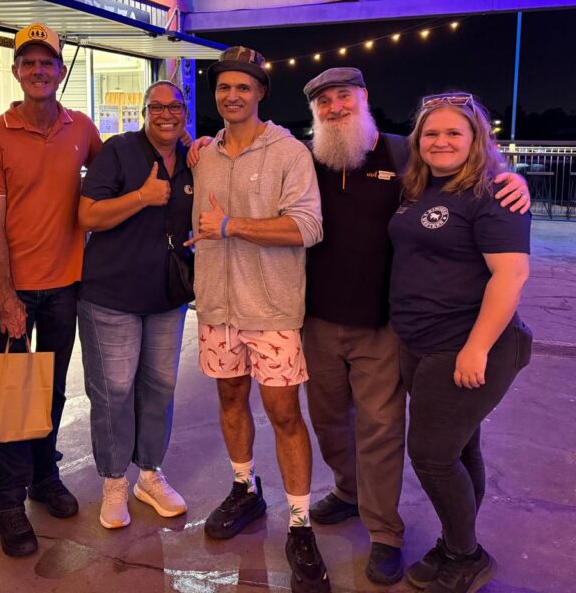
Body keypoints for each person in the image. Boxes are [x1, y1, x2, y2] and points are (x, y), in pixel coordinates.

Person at [299, 68, 530, 586]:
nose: (336, 108)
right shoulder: (304, 159)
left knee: (383, 431)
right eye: (324, 102)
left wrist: (512, 178)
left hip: (385, 326)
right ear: (315, 113)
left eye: (345, 97)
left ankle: (385, 533)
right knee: (330, 421)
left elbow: (472, 169)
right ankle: (348, 490)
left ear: (364, 99)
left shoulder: (405, 153)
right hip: (320, 319)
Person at [188, 46, 329, 593]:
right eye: (223, 87)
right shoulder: (206, 153)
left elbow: (308, 226)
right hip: (217, 308)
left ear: (261, 92)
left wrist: (232, 226)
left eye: (243, 87)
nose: (231, 95)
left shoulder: (289, 152)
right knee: (228, 399)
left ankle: (300, 522)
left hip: (270, 308)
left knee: (283, 412)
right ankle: (245, 488)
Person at [388, 92, 532, 593]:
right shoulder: (420, 183)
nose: (441, 141)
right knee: (459, 447)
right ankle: (456, 542)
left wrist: (476, 349)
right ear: (418, 141)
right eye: (431, 133)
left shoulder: (493, 192)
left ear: (476, 139)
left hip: (466, 344)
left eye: (454, 133)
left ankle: (467, 555)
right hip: (418, 342)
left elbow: (510, 275)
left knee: (430, 456)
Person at [0, 22, 102, 557]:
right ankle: (7, 500)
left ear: (60, 72)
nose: (39, 70)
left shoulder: (81, 127)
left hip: (65, 284)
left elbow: (120, 165)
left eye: (47, 62)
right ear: (17, 72)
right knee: (10, 395)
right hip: (15, 288)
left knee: (49, 389)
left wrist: (193, 144)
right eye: (29, 63)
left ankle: (44, 476)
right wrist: (5, 296)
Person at [77, 80, 194, 529]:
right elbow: (87, 216)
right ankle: (113, 482)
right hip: (112, 296)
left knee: (160, 389)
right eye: (157, 107)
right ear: (144, 111)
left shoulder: (191, 158)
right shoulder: (119, 151)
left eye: (175, 107)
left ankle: (148, 473)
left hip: (167, 298)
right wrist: (142, 197)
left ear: (184, 113)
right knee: (114, 393)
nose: (167, 114)